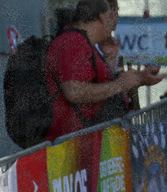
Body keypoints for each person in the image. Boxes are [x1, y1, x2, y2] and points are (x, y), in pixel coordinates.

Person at [45, 0, 161, 142]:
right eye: (114, 12)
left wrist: (132, 75)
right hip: (72, 148)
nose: (116, 20)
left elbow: (106, 91)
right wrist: (121, 84)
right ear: (102, 16)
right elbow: (73, 91)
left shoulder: (87, 45)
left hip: (90, 145)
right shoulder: (73, 41)